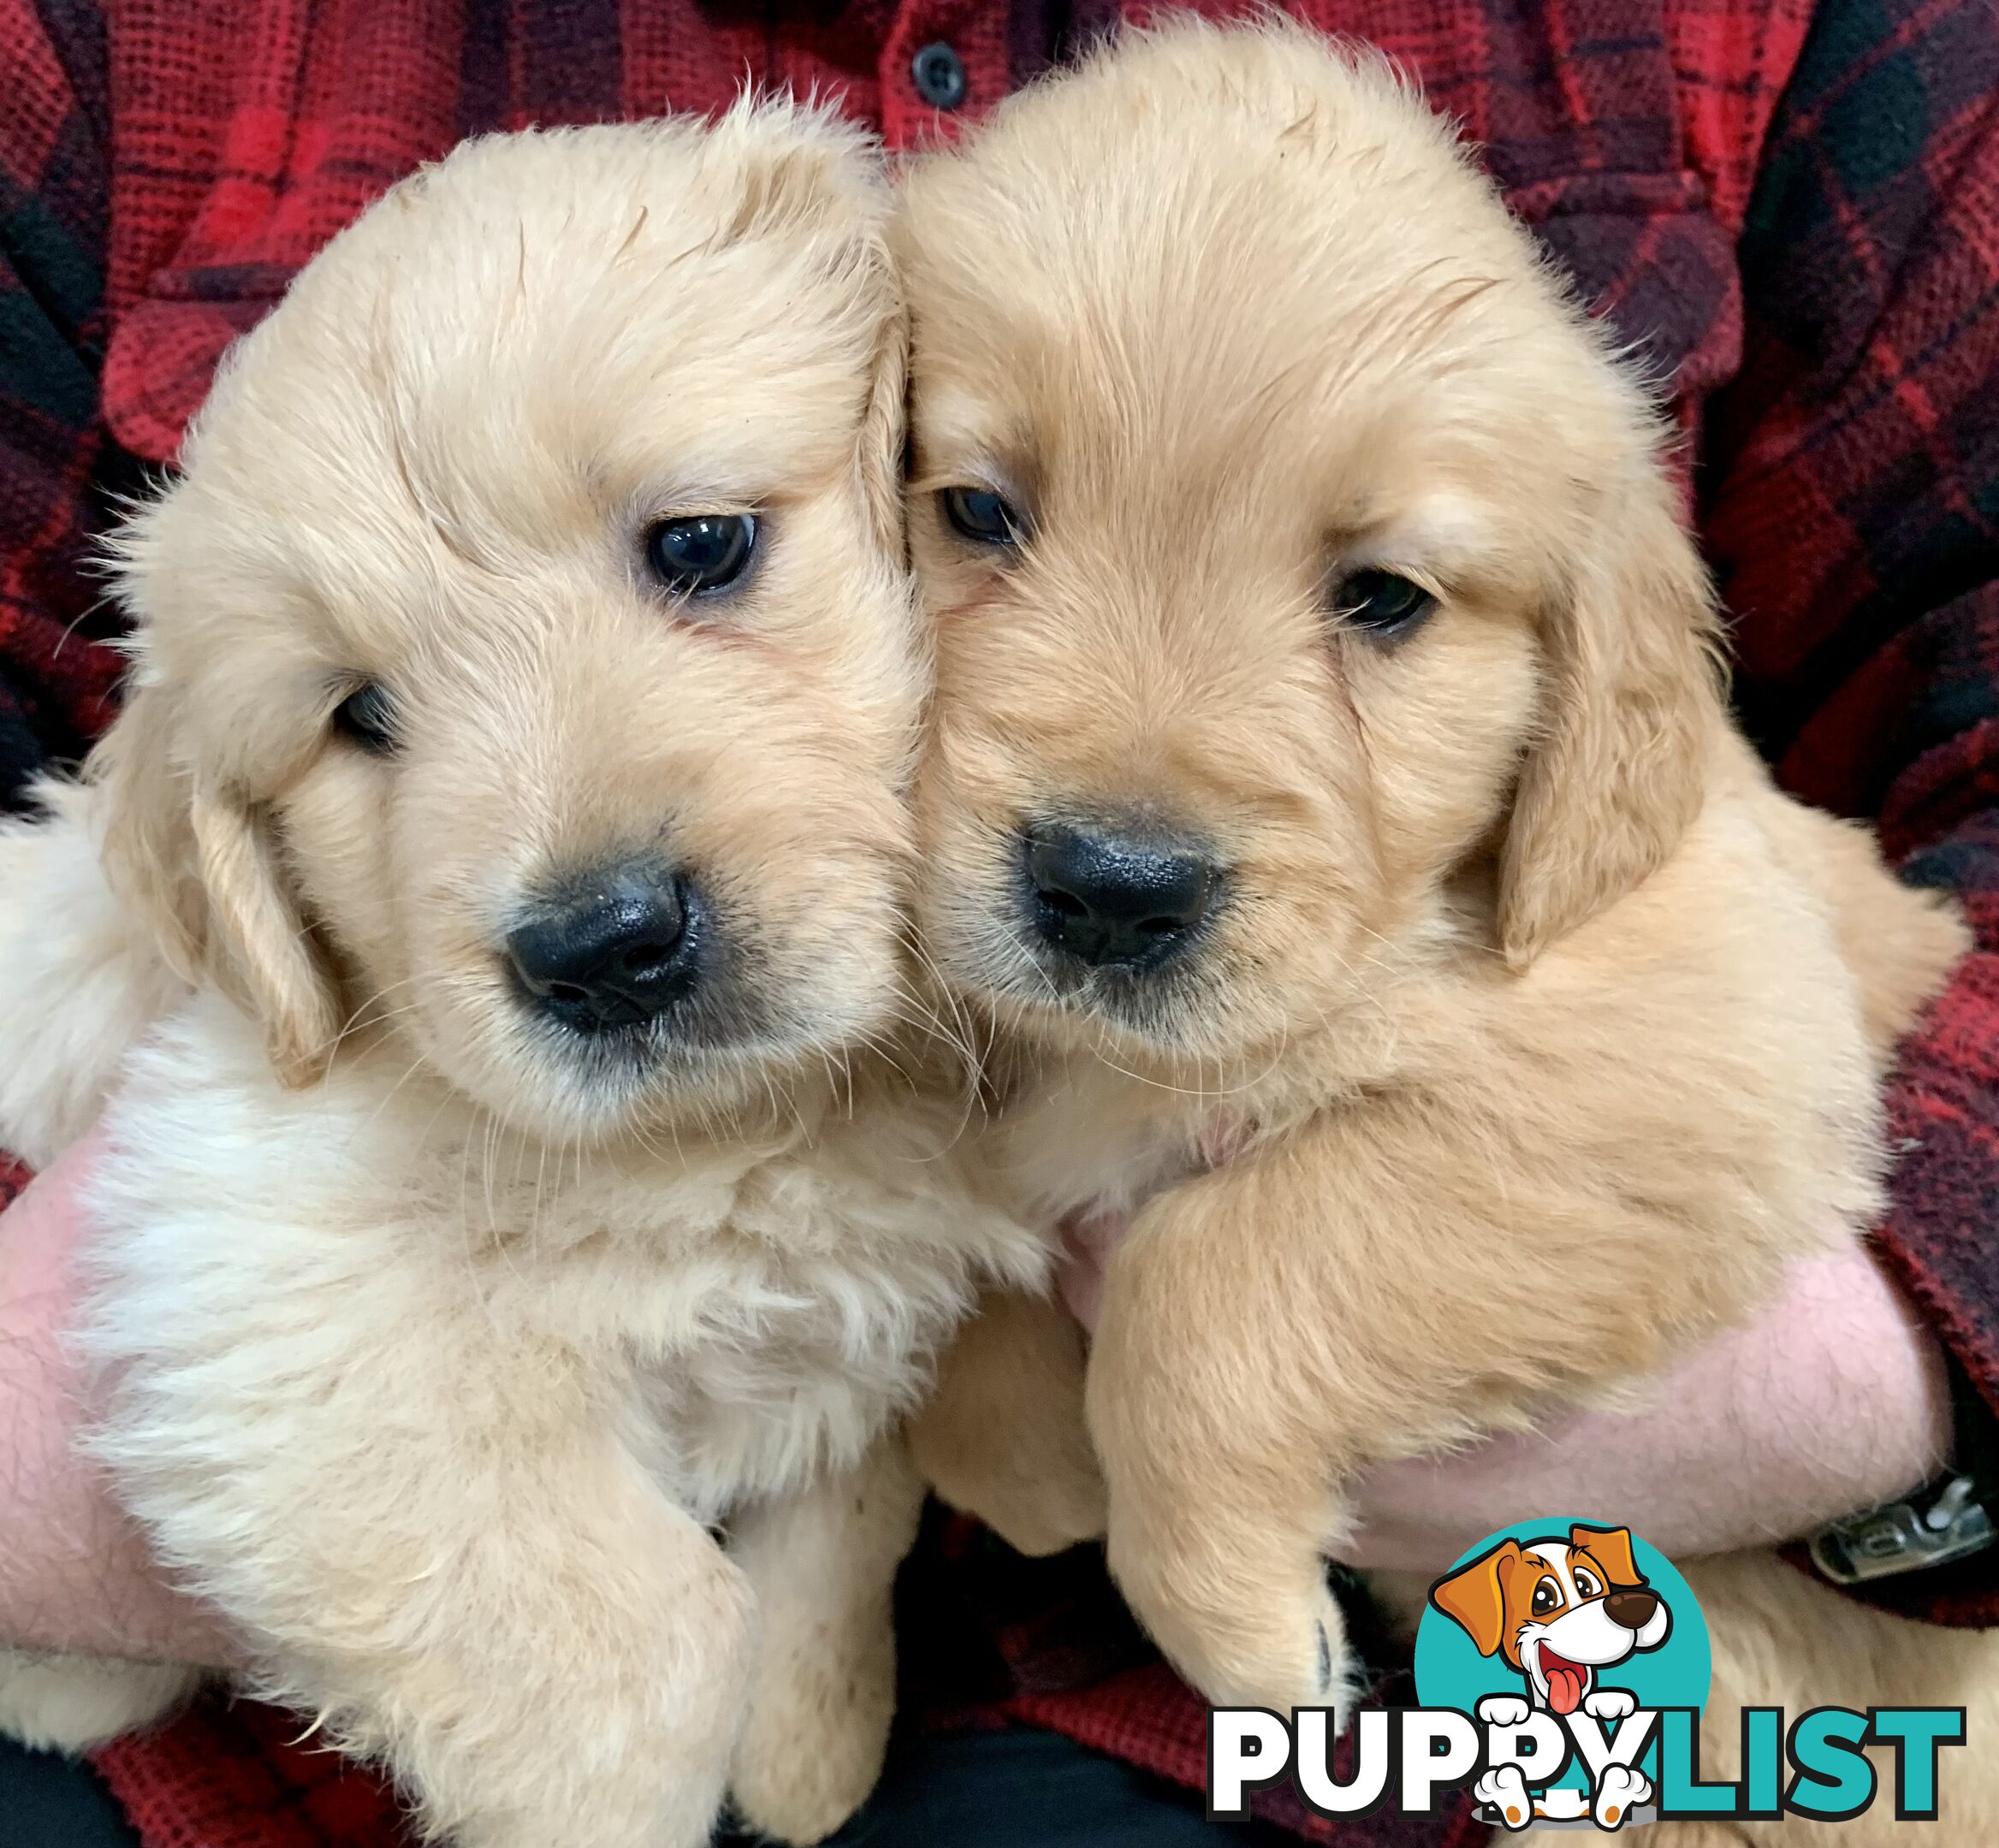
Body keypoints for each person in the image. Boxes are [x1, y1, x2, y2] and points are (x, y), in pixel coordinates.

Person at [1, 1, 1995, 1843]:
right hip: (302, 1743)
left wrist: (1885, 1367)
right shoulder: (100, 52)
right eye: (978, 517)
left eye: (705, 553)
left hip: (1574, 1702)